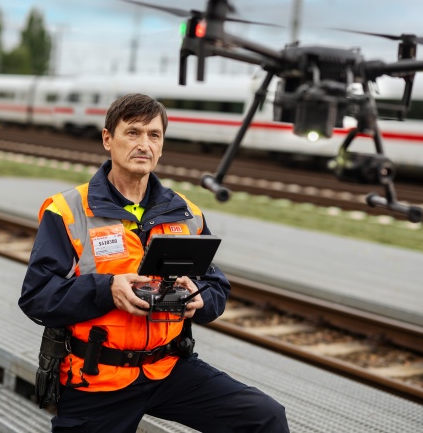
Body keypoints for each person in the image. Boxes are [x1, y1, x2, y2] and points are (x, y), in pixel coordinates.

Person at [19, 93, 289, 432]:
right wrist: (108, 288)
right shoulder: (67, 211)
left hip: (169, 368)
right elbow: (37, 298)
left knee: (264, 417)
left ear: (161, 146)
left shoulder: (187, 213)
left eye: (153, 135)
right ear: (108, 139)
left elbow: (217, 285)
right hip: (97, 378)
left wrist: (201, 297)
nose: (144, 144)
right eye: (133, 133)